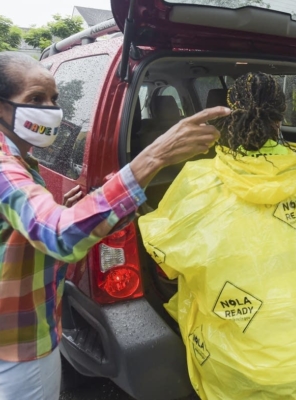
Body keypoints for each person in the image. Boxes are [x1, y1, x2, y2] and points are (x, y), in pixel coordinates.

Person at [0, 52, 229, 400]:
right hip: (19, 345)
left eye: (54, 99)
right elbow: (59, 236)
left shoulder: (20, 158)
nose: (51, 109)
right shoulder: (5, 169)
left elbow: (24, 232)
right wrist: (154, 156)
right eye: (35, 99)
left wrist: (65, 210)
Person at [139, 72, 296, 399]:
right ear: (281, 116)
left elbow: (166, 254)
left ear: (229, 112)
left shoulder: (199, 179)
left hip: (241, 365)